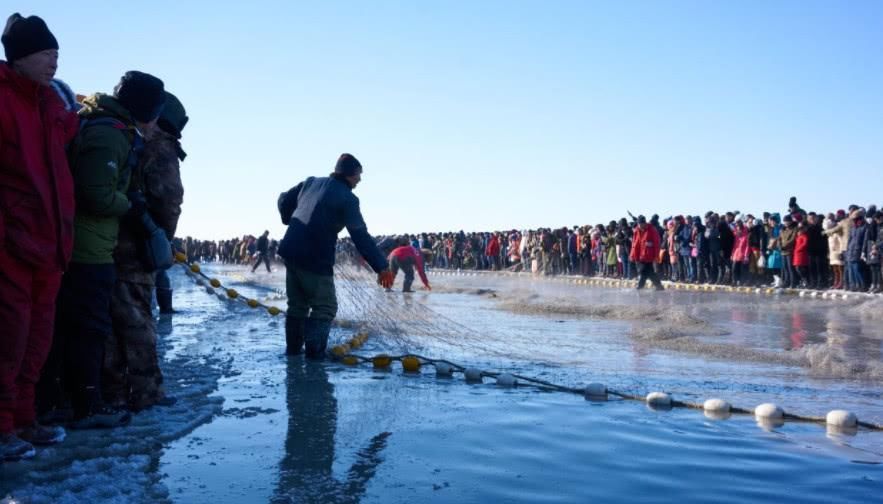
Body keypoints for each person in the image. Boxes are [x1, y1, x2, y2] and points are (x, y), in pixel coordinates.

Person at [39, 71, 166, 429]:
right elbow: (94, 194)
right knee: (88, 327)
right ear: (146, 109)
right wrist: (130, 205)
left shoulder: (106, 127)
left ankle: (66, 399)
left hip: (87, 242)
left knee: (79, 326)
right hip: (88, 247)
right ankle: (86, 405)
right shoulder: (111, 134)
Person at [0, 12, 78, 460]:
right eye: (47, 53)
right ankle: (2, 427)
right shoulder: (4, 101)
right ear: (22, 56)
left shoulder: (49, 105)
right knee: (8, 338)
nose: (54, 60)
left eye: (56, 53)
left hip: (51, 248)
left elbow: (69, 130)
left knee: (36, 340)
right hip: (14, 244)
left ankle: (24, 420)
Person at [105, 91, 187, 412]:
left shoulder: (126, 137)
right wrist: (161, 238)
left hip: (107, 244)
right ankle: (146, 392)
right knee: (139, 320)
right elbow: (168, 199)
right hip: (137, 246)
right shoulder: (161, 147)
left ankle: (112, 392)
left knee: (112, 322)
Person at [277, 153, 394, 358]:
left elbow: (283, 199)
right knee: (325, 307)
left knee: (297, 305)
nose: (360, 179)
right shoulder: (348, 198)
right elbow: (359, 234)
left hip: (290, 250)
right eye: (359, 174)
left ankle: (292, 352)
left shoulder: (311, 182)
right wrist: (382, 266)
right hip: (315, 255)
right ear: (350, 174)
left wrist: (289, 220)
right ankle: (314, 358)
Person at [630, 215, 664, 291]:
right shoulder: (636, 231)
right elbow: (634, 244)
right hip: (640, 255)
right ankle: (659, 286)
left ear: (644, 223)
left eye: (641, 224)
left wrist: (656, 256)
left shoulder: (652, 230)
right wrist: (632, 255)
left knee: (643, 271)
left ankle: (640, 286)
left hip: (649, 255)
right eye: (639, 224)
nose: (640, 226)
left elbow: (657, 243)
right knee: (649, 272)